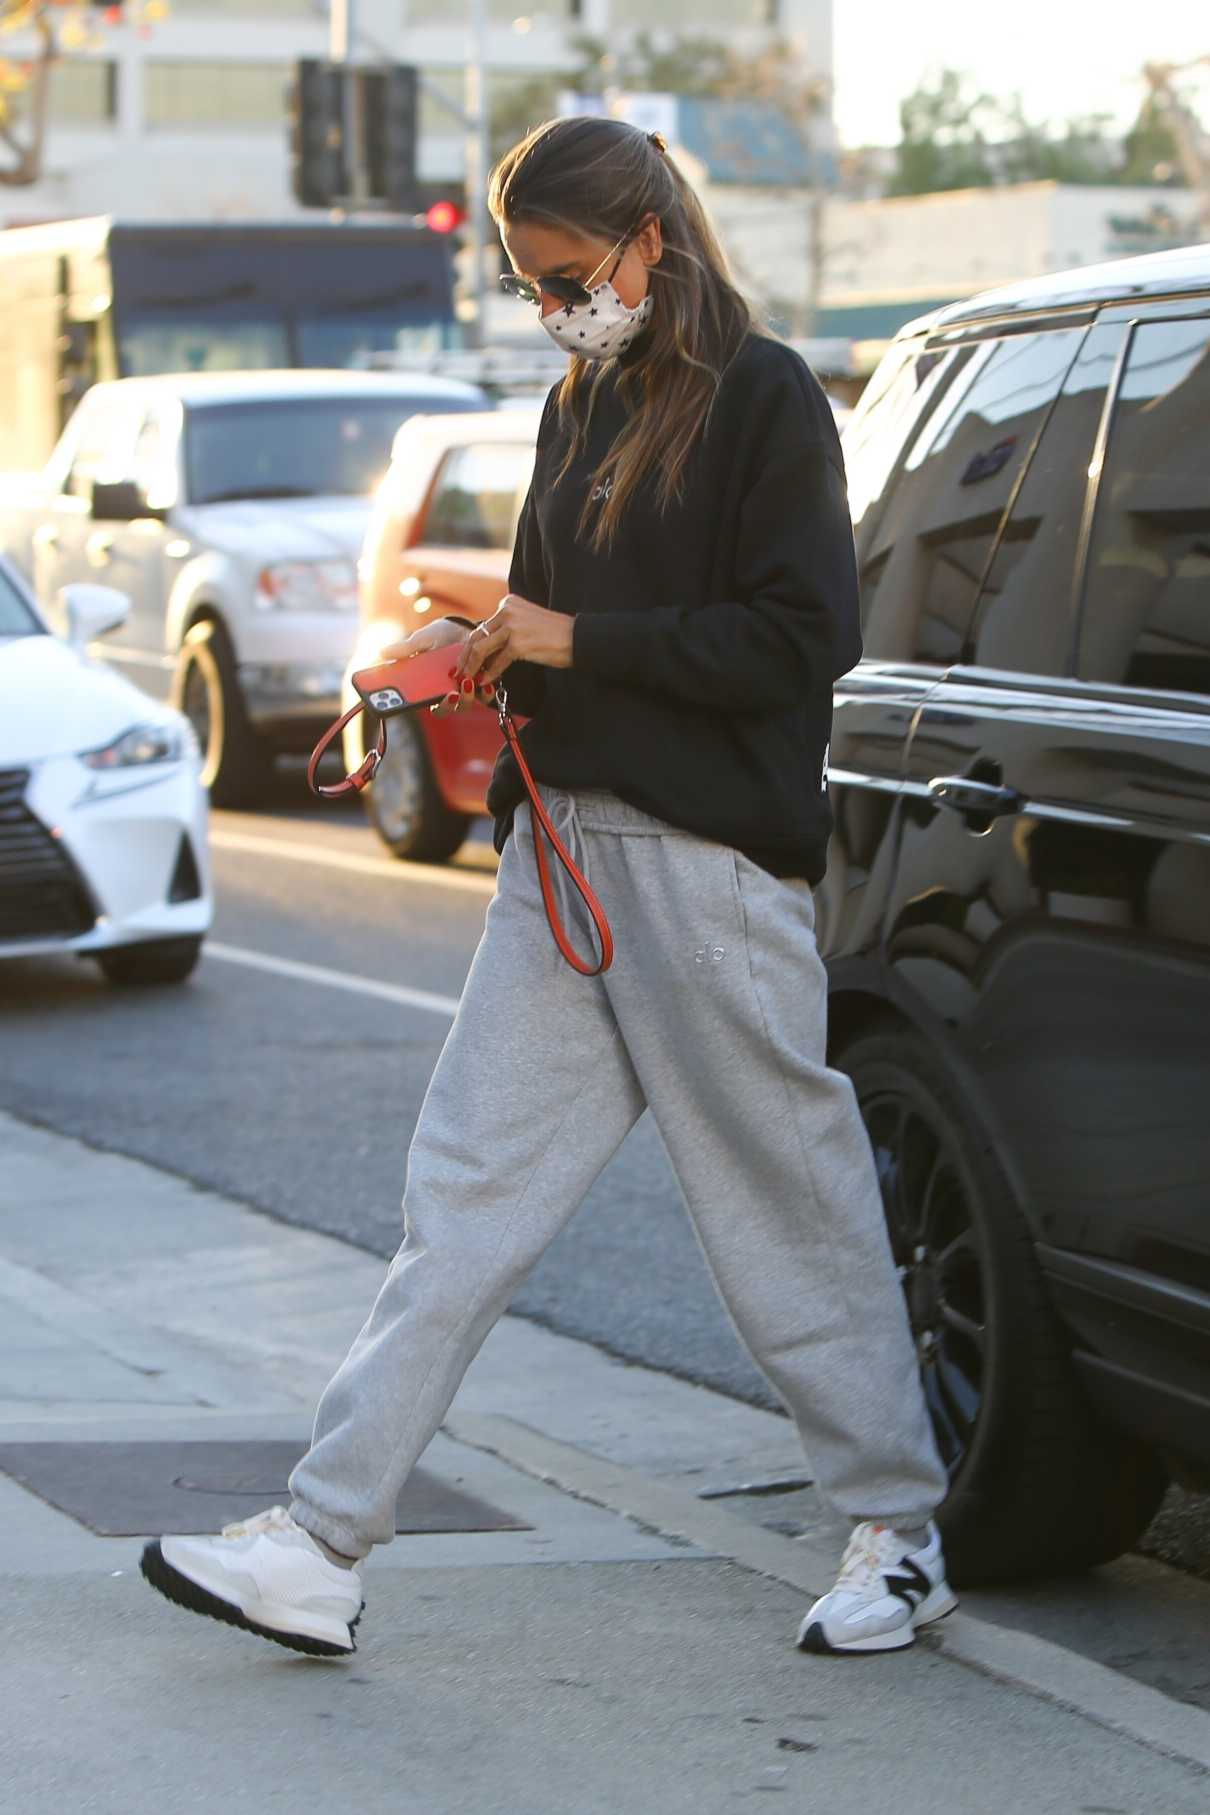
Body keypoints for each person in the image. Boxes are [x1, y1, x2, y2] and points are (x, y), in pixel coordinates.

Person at [140, 116, 955, 1659]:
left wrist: (578, 642)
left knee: (783, 1213)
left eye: (564, 276)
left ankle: (898, 1532)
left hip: (708, 872)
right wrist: (455, 670)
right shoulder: (582, 398)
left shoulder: (767, 396)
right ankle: (321, 1541)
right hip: (563, 857)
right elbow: (547, 620)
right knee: (457, 1207)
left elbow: (799, 643)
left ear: (649, 237)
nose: (551, 307)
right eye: (528, 288)